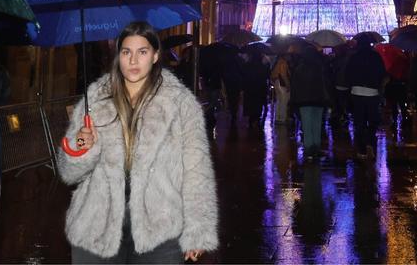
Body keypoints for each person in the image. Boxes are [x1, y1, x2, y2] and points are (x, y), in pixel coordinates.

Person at [59, 22, 218, 263]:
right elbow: (69, 173)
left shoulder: (180, 104)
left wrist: (198, 229)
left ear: (155, 56)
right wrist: (81, 146)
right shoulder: (96, 98)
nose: (133, 60)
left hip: (160, 225)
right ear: (118, 56)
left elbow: (196, 171)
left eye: (142, 52)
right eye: (126, 52)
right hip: (97, 222)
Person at [345, 39, 386, 159]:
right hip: (372, 92)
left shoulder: (354, 57)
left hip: (356, 91)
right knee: (373, 120)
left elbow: (348, 73)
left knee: (359, 122)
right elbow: (381, 72)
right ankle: (370, 143)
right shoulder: (375, 56)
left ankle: (361, 149)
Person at [290, 48, 331, 158]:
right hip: (319, 99)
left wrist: (294, 101)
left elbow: (295, 86)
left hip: (304, 101)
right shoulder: (319, 67)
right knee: (317, 124)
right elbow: (325, 83)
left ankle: (309, 150)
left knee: (307, 125)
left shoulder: (299, 68)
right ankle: (316, 148)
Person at [241, 47, 270, 130]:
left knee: (250, 104)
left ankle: (251, 119)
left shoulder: (247, 65)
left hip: (249, 88)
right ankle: (256, 119)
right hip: (259, 88)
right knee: (258, 104)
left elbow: (244, 76)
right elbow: (266, 76)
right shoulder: (262, 66)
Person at [271, 51, 292, 127]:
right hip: (282, 83)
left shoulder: (277, 62)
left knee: (279, 101)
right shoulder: (283, 62)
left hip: (276, 82)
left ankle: (278, 118)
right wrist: (288, 85)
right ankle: (282, 118)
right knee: (284, 101)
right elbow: (283, 75)